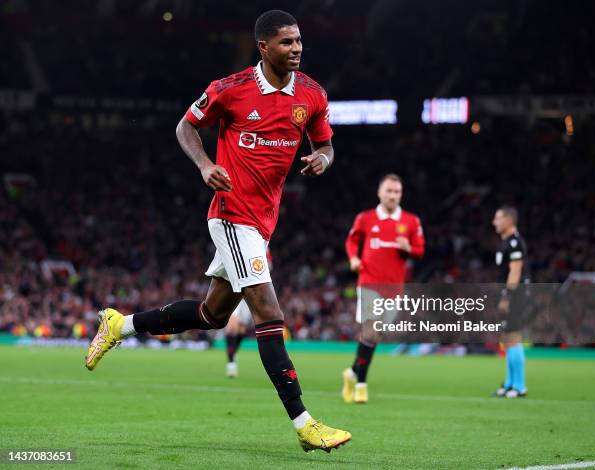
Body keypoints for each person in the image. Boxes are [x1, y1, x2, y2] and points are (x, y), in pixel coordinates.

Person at [85, 9, 351, 452]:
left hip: (263, 221)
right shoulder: (230, 90)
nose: (297, 48)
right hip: (230, 214)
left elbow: (325, 144)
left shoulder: (313, 96)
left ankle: (121, 324)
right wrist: (206, 164)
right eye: (286, 42)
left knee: (212, 316)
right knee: (268, 313)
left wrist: (323, 158)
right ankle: (304, 423)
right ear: (263, 47)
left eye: (299, 40)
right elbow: (185, 126)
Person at [342, 174, 425, 403]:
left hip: (395, 288)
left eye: (397, 192)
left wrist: (408, 248)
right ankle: (361, 385)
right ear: (380, 192)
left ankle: (351, 372)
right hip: (369, 282)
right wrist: (353, 259)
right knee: (369, 330)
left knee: (376, 335)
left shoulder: (411, 221)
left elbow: (420, 251)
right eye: (389, 191)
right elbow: (351, 241)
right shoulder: (366, 218)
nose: (393, 195)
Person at [492, 206, 530, 398]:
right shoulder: (506, 242)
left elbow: (515, 272)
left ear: (509, 221)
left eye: (498, 219)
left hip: (516, 295)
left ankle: (520, 385)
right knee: (507, 339)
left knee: (513, 338)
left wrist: (507, 296)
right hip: (510, 295)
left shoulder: (515, 243)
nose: (494, 222)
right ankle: (509, 383)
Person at [225, 247, 272, 378]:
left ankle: (233, 354)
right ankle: (231, 363)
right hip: (234, 287)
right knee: (232, 326)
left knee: (241, 329)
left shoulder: (264, 247)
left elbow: (267, 268)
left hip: (251, 290)